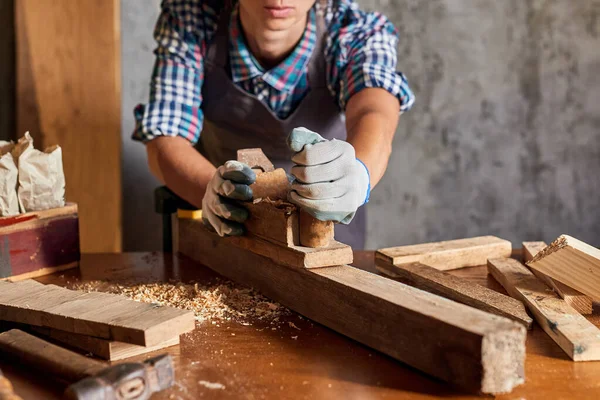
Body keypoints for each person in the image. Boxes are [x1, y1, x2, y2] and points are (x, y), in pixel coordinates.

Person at [133, 0, 415, 249]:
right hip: (228, 232)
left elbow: (373, 110)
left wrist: (359, 173)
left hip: (326, 230)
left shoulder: (352, 30)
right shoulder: (192, 19)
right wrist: (212, 191)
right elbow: (165, 139)